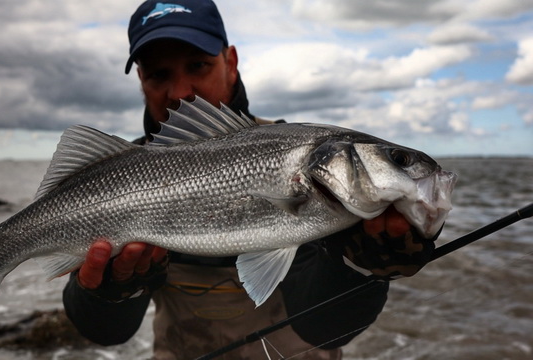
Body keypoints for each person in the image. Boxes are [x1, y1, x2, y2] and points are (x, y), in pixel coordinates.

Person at [63, 1, 438, 359]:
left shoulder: (297, 159)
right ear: (141, 79)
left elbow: (323, 328)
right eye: (159, 75)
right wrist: (108, 292)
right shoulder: (113, 176)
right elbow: (106, 334)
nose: (180, 93)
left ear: (231, 62)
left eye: (197, 65)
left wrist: (356, 270)